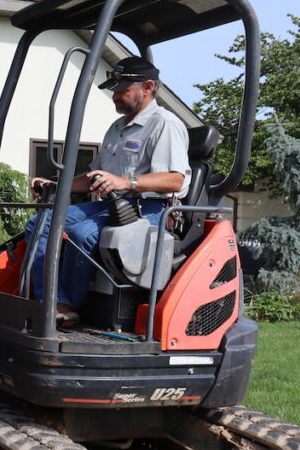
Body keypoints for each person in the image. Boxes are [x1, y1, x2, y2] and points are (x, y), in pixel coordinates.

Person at [25, 56, 190, 325]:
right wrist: (56, 185)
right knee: (40, 223)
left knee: (82, 234)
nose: (115, 96)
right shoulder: (117, 128)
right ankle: (53, 300)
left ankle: (66, 311)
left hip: (150, 210)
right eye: (114, 89)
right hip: (110, 205)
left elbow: (175, 180)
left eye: (122, 89)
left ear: (147, 88)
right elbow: (94, 178)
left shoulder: (165, 124)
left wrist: (126, 182)